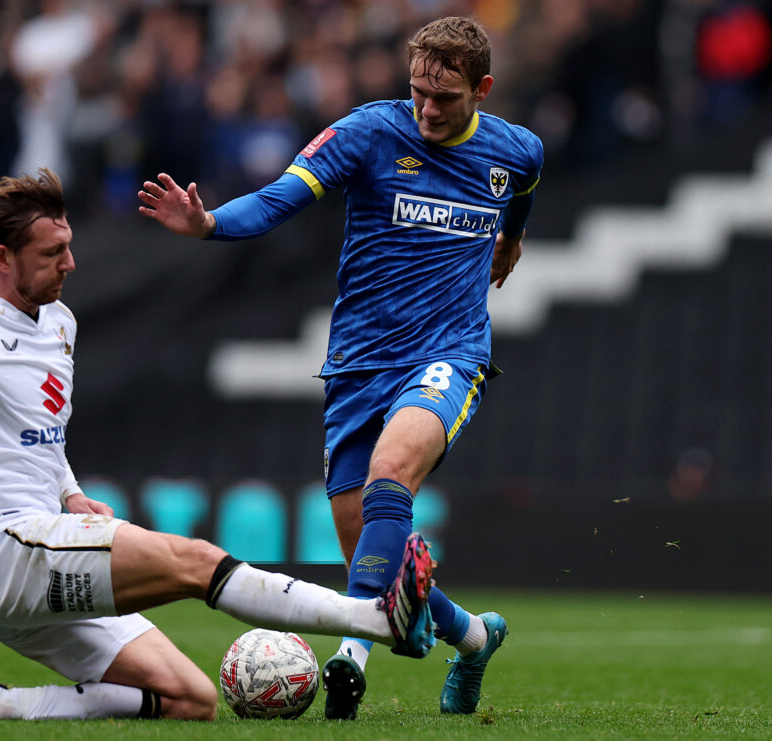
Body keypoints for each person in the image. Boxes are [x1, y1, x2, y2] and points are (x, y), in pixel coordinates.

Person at [0, 169, 437, 722]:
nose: (70, 264)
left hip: (43, 546)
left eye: (70, 247)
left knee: (190, 700)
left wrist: (71, 493)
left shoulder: (58, 320)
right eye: (53, 252)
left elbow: (42, 433)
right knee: (193, 562)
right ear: (2, 258)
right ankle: (374, 619)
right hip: (6, 551)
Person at [138, 16, 543, 719]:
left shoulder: (519, 150)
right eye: (417, 91)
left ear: (481, 89)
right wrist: (208, 225)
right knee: (370, 556)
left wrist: (511, 234)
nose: (427, 109)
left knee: (393, 475)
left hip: (449, 352)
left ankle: (349, 659)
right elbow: (278, 199)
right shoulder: (368, 133)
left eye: (444, 98)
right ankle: (475, 638)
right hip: (358, 363)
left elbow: (524, 188)